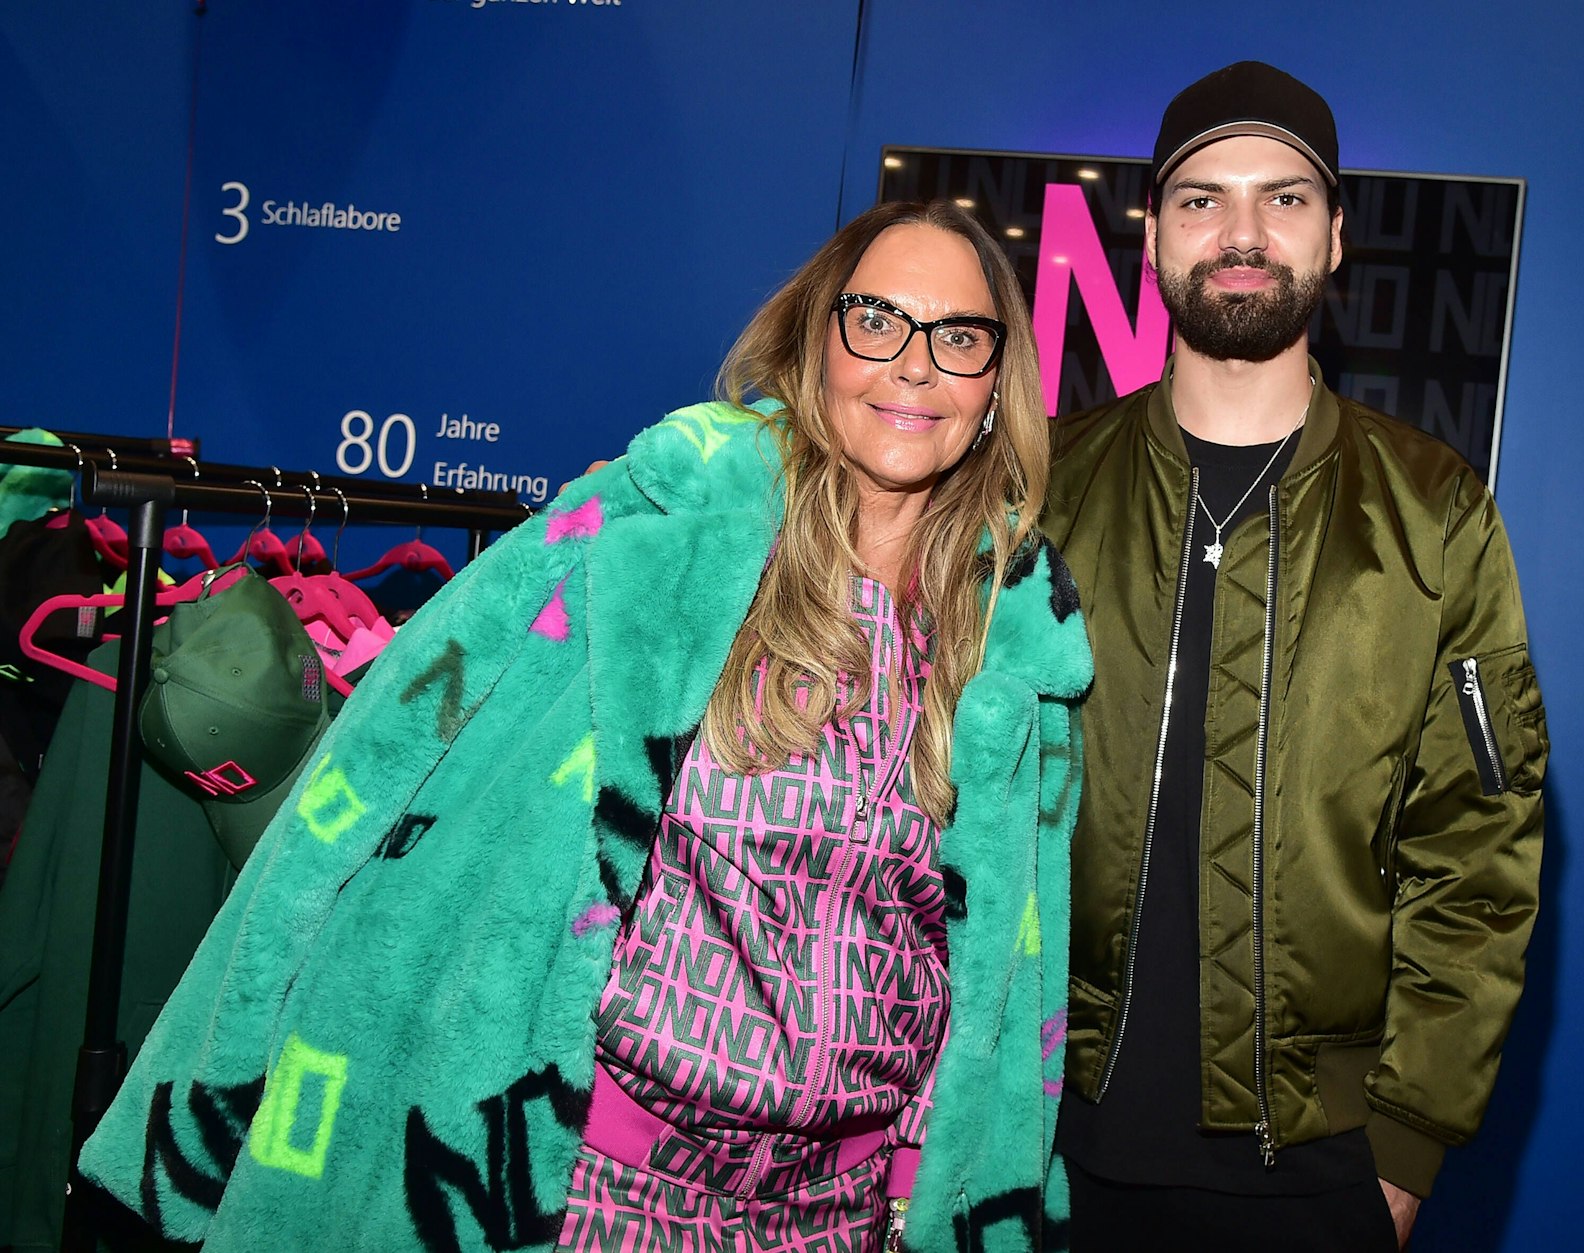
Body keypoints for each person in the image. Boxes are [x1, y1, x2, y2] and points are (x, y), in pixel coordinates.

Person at [76, 200, 1091, 1253]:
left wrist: (923, 1186)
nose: (913, 365)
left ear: (993, 384)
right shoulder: (649, 535)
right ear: (815, 340)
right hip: (594, 1191)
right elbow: (372, 779)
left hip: (835, 1217)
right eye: (876, 319)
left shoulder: (1014, 635)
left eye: (957, 337)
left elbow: (1001, 978)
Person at [1045, 62, 1548, 1250]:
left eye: (1281, 199)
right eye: (1201, 199)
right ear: (1152, 233)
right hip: (1042, 1143)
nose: (1240, 233)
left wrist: (1407, 1145)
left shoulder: (1434, 510)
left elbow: (1477, 847)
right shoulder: (1038, 485)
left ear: (1333, 233)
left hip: (1320, 1174)